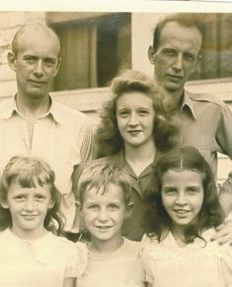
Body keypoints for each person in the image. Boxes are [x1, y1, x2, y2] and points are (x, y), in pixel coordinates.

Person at [0, 23, 94, 235]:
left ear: (57, 66)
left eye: (48, 62)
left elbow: (85, 198)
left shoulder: (80, 126)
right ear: (12, 61)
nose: (39, 71)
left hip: (60, 248)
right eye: (30, 59)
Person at [148, 13, 232, 216]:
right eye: (169, 52)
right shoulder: (129, 115)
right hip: (141, 236)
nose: (177, 65)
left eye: (188, 56)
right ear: (152, 54)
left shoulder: (212, 111)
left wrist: (220, 210)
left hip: (197, 237)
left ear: (197, 62)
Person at [0, 156, 86, 287]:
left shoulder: (67, 253)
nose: (30, 207)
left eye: (39, 197)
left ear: (51, 201)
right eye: (20, 197)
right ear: (4, 200)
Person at [90, 69, 178, 241]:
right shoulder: (98, 171)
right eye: (124, 114)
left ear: (157, 117)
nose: (133, 122)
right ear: (114, 119)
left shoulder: (176, 168)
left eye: (143, 113)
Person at [127, 146, 232, 287]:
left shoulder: (221, 243)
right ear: (159, 193)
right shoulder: (151, 244)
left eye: (191, 190)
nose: (181, 201)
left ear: (205, 192)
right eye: (171, 191)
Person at [76, 162, 142, 287]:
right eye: (93, 207)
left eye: (113, 207)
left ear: (128, 210)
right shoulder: (74, 256)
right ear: (80, 210)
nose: (103, 217)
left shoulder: (142, 254)